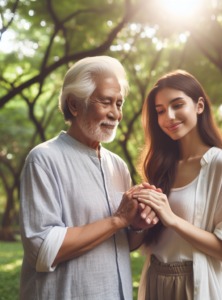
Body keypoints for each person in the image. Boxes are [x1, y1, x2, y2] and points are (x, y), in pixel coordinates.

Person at [19, 56, 159, 300]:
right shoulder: (43, 159)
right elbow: (41, 250)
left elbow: (124, 243)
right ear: (74, 105)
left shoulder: (118, 165)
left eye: (119, 103)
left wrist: (136, 226)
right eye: (106, 102)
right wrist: (117, 220)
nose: (116, 114)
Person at [134, 70, 222, 300]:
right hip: (155, 280)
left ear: (199, 106)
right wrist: (137, 222)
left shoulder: (221, 165)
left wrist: (173, 219)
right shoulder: (158, 166)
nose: (169, 116)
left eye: (177, 105)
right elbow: (137, 243)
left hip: (195, 285)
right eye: (160, 111)